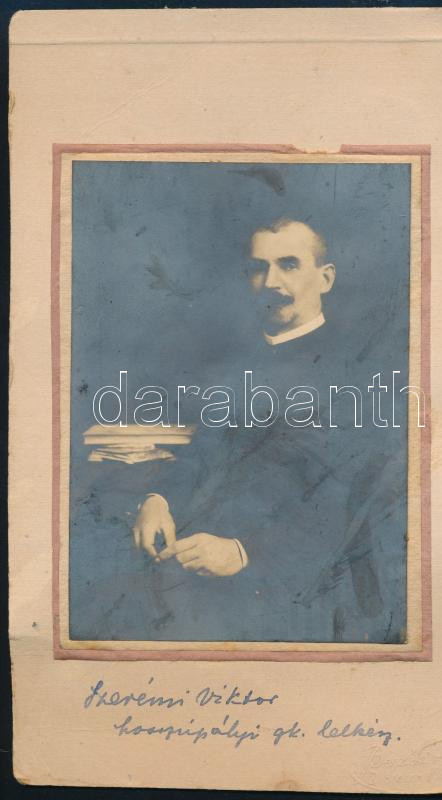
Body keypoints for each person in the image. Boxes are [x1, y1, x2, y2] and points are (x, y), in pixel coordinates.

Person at [129, 218, 406, 643]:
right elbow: (202, 450)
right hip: (198, 567)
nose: (272, 281)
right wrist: (156, 499)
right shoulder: (238, 363)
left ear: (325, 278)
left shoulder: (359, 373)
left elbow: (346, 499)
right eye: (260, 268)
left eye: (289, 264)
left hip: (300, 585)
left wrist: (243, 551)